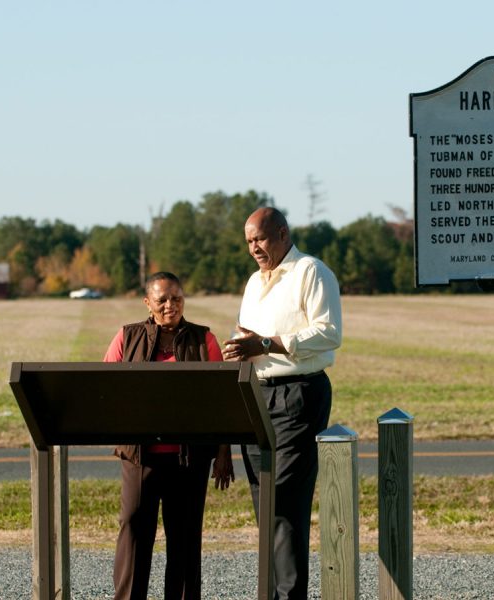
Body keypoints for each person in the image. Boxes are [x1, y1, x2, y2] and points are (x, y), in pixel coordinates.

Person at [223, 207, 342, 599]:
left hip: (298, 394)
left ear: (282, 233)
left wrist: (269, 344)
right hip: (257, 395)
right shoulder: (254, 282)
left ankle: (288, 595)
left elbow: (328, 332)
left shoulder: (311, 272)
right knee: (264, 502)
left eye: (259, 238)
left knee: (284, 504)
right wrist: (242, 348)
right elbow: (252, 336)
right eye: (248, 242)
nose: (254, 248)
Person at [104, 271, 234, 600]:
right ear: (148, 303)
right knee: (133, 531)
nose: (169, 305)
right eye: (161, 299)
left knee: (186, 539)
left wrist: (223, 450)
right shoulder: (127, 336)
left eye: (176, 298)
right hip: (140, 458)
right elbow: (106, 389)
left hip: (189, 459)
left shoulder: (204, 340)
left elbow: (222, 400)